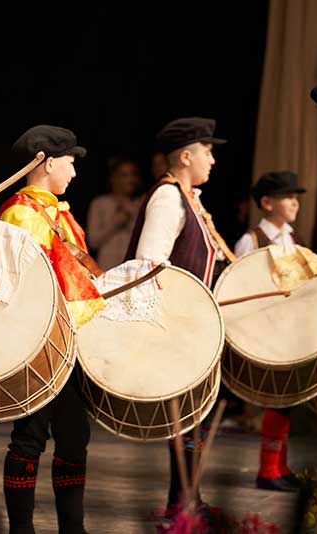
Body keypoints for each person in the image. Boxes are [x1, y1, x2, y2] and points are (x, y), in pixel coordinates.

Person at [0, 125, 104, 534]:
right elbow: (23, 284)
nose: (74, 172)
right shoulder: (21, 212)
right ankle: (21, 529)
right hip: (37, 344)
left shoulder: (60, 212)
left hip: (68, 342)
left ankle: (72, 529)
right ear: (47, 162)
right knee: (30, 438)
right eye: (71, 163)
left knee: (75, 437)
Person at [124, 117, 234, 517]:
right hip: (179, 326)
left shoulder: (192, 199)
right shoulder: (169, 198)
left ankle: (187, 499)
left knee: (196, 418)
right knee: (189, 418)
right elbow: (149, 266)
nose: (213, 161)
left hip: (194, 326)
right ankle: (181, 503)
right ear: (186, 156)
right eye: (208, 152)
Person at [233, 171, 306, 492]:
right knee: (276, 397)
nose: (295, 203)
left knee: (288, 397)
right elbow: (241, 287)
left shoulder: (294, 239)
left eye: (296, 197)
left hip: (290, 329)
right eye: (288, 196)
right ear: (266, 203)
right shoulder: (251, 240)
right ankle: (267, 470)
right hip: (264, 330)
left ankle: (280, 466)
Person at [86, 155, 142, 270]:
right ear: (113, 178)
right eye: (124, 175)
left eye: (133, 174)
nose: (130, 180)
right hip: (106, 269)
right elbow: (93, 241)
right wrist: (115, 223)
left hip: (133, 270)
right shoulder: (100, 203)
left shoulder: (140, 204)